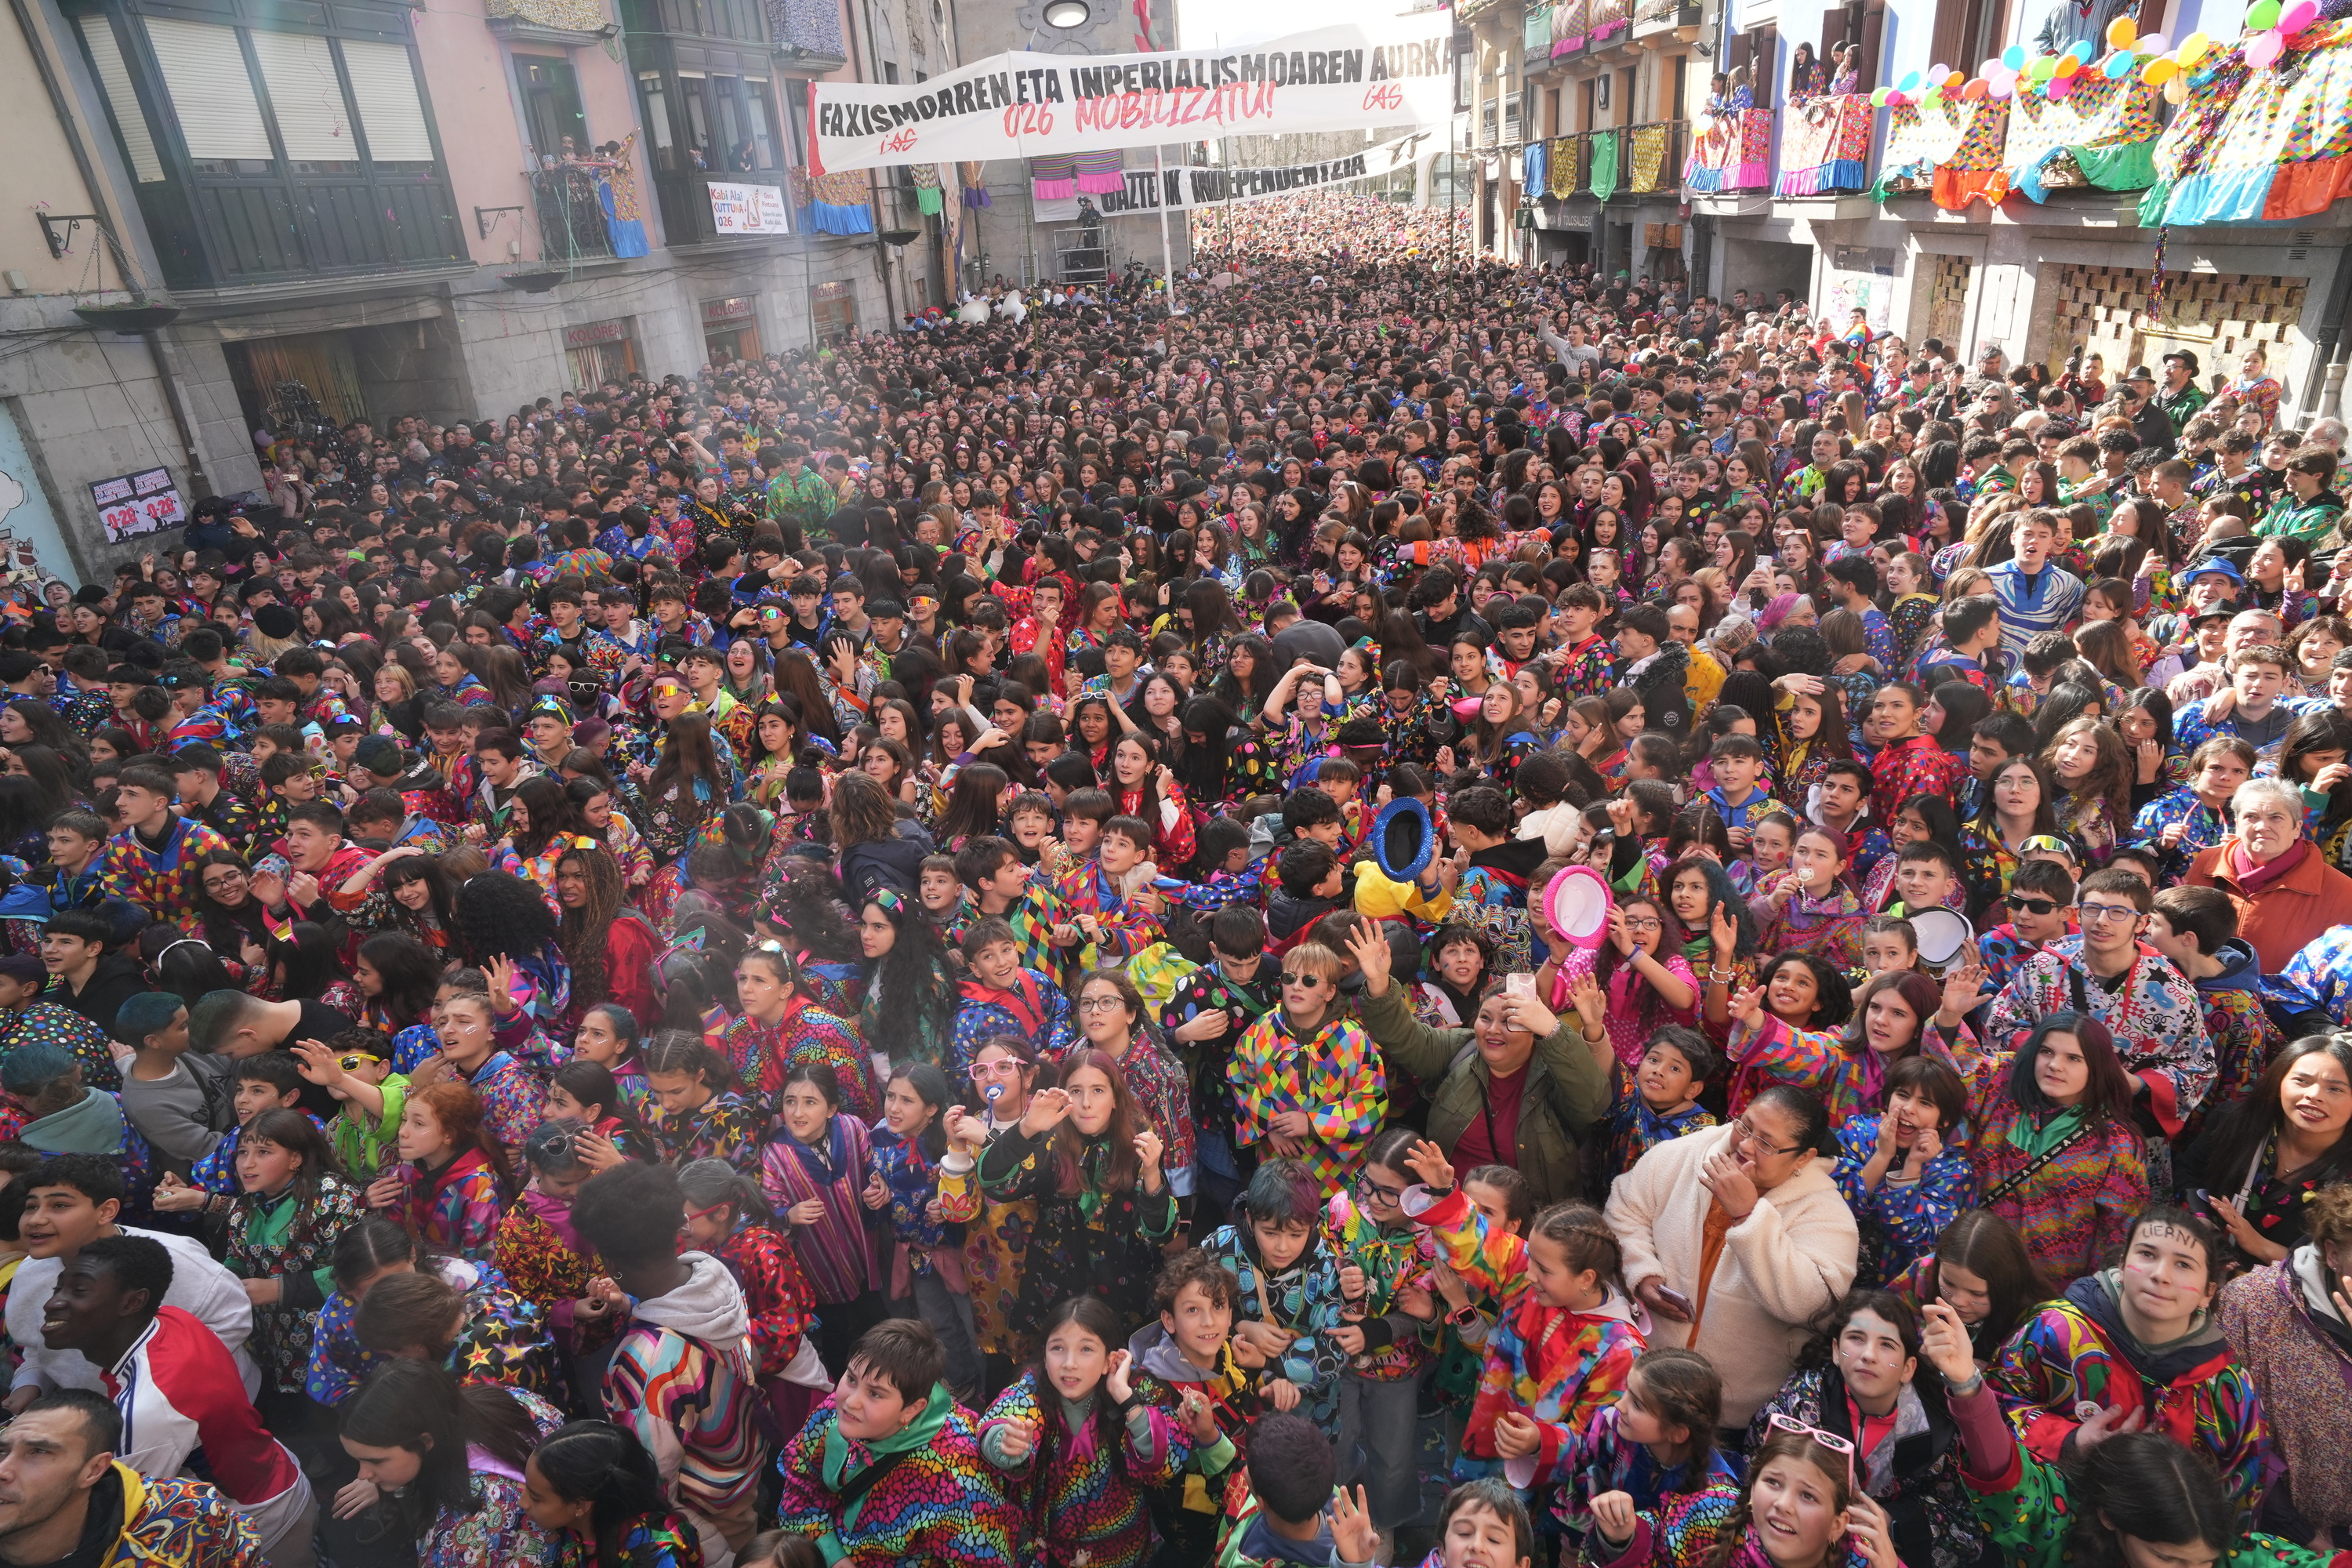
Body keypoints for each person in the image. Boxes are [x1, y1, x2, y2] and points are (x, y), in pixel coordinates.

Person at [37, 1235, 317, 1568]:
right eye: (59, 1288)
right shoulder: (170, 1318)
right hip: (280, 1478)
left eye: (79, 1291)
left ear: (132, 1303)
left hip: (260, 1522)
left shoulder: (149, 1408)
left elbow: (126, 1509)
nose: (52, 1303)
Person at [1986, 1205, 2272, 1522]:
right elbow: (1994, 1401)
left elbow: (2240, 1493)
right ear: (2122, 1266)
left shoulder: (2228, 1388)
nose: (2161, 1275)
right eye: (2147, 1254)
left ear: (2208, 1292)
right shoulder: (2054, 1331)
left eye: (2183, 1264)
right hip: (2052, 1525)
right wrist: (2070, 1441)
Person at [1602, 1084, 1860, 1427]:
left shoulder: (1825, 1211)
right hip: (1639, 1382)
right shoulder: (1687, 1154)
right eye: (1745, 1125)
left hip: (1733, 1413)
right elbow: (1624, 1209)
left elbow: (1811, 1306)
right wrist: (1642, 1273)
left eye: (1766, 1143)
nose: (1746, 1145)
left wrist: (1749, 1216)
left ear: (1803, 1158)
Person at [571, 1161, 765, 1563]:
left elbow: (650, 1474)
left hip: (704, 1521)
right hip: (740, 1477)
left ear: (610, 1262)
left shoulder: (646, 1364)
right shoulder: (710, 1275)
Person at [774, 1318, 1016, 1566]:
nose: (852, 1401)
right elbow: (798, 1487)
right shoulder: (838, 1412)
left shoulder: (955, 1478)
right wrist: (834, 1557)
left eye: (875, 1394)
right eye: (852, 1378)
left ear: (912, 1409)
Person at [0, 1389, 266, 1568]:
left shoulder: (187, 1517)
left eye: (39, 1452)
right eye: (2, 1450)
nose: (3, 1469)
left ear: (93, 1470)